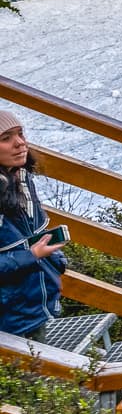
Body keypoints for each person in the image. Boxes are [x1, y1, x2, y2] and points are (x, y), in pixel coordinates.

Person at [0, 109, 66, 338]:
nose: (20, 143)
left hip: (31, 304)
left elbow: (29, 232)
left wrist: (54, 261)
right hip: (10, 319)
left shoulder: (20, 178)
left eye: (20, 134)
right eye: (5, 138)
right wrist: (33, 255)